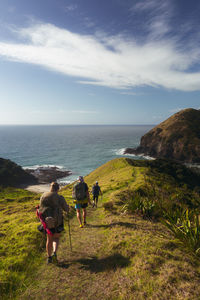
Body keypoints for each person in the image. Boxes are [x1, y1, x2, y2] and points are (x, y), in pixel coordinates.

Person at [38, 182, 69, 264]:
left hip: (47, 222)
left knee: (49, 239)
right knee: (56, 238)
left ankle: (49, 257)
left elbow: (40, 208)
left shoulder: (43, 196)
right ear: (58, 189)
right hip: (57, 222)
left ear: (50, 188)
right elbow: (66, 209)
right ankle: (54, 253)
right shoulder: (59, 197)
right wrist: (67, 207)